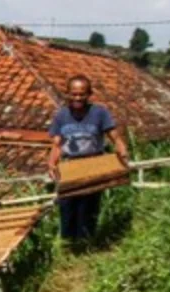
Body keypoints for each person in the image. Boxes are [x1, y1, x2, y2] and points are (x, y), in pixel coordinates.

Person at [47, 74, 130, 240]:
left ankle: (87, 242)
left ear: (89, 94)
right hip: (70, 166)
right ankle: (68, 244)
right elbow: (57, 144)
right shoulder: (61, 116)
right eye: (74, 94)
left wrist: (122, 151)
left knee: (89, 205)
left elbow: (115, 137)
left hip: (94, 164)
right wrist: (51, 163)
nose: (78, 97)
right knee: (67, 205)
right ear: (68, 94)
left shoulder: (99, 113)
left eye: (82, 94)